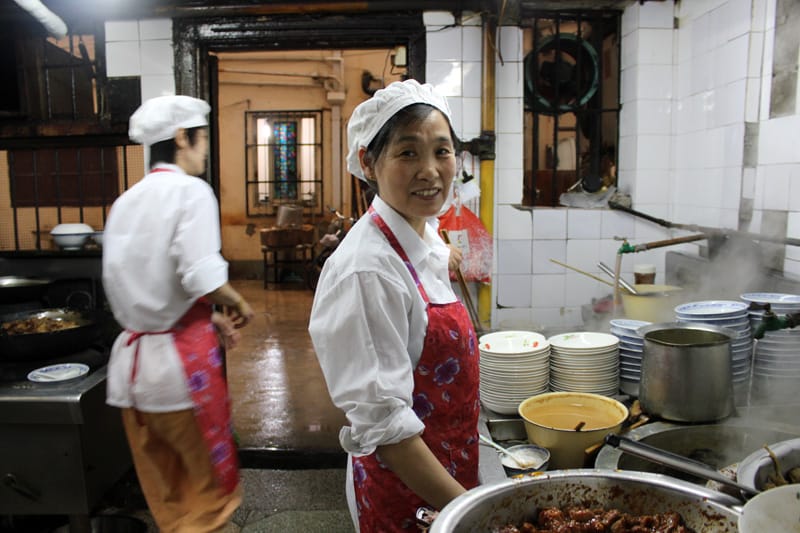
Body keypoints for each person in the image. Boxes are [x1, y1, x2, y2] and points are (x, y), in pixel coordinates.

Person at [308, 79, 479, 532]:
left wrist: (443, 253)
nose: (430, 170)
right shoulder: (366, 271)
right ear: (368, 162)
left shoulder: (418, 232)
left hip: (450, 470)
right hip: (407, 491)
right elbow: (386, 429)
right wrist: (474, 513)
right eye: (407, 153)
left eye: (442, 151)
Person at [102, 95, 255, 533]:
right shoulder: (190, 191)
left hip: (131, 373)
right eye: (202, 138)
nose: (205, 149)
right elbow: (200, 274)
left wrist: (204, 316)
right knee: (208, 504)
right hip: (177, 377)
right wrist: (238, 302)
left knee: (170, 502)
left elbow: (152, 285)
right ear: (181, 138)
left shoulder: (126, 202)